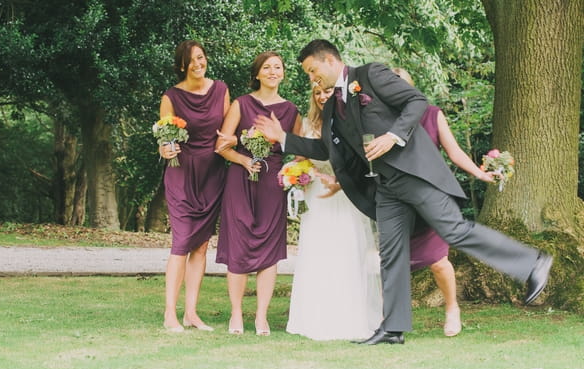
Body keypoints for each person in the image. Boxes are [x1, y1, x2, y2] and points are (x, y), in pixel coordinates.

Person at [255, 39, 553, 345]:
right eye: (308, 74)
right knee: (391, 254)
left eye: (313, 70)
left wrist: (393, 137)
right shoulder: (332, 106)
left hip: (414, 174)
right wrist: (283, 138)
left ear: (330, 60)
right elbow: (325, 148)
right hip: (384, 187)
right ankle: (393, 329)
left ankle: (532, 263)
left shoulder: (370, 75)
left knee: (455, 230)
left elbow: (416, 101)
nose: (312, 77)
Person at [394, 66, 500, 337]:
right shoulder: (379, 121)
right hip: (396, 201)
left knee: (438, 260)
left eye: (402, 85)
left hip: (431, 198)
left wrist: (480, 174)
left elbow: (454, 152)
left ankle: (452, 309)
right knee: (392, 262)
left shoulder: (432, 114)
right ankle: (391, 318)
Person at [286, 84, 383, 340]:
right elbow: (299, 159)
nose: (322, 96)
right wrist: (299, 174)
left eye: (327, 91)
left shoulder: (350, 123)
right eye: (317, 93)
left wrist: (340, 182)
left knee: (347, 250)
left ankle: (349, 314)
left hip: (346, 193)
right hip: (317, 196)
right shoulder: (306, 124)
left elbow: (362, 161)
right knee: (318, 251)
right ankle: (315, 315)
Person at [215, 51, 301, 336]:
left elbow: (299, 152)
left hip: (271, 184)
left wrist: (293, 173)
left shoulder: (291, 110)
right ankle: (236, 314)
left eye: (278, 67)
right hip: (240, 179)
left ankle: (261, 316)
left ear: (283, 73)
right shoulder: (241, 104)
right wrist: (243, 160)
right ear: (257, 74)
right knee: (239, 246)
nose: (273, 71)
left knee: (269, 251)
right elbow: (222, 146)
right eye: (267, 67)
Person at [159, 40, 230, 333]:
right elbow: (165, 138)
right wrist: (164, 149)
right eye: (192, 61)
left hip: (213, 175)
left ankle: (191, 313)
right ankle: (169, 315)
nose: (198, 64)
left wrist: (236, 142)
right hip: (182, 174)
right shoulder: (171, 96)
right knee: (182, 242)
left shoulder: (222, 90)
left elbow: (228, 132)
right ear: (182, 66)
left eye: (201, 57)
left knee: (201, 245)